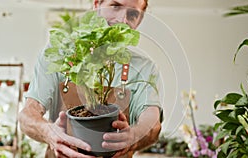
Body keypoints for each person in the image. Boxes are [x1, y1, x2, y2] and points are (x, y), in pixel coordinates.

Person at [18, 0, 163, 157]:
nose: (122, 20)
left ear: (139, 20)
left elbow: (153, 124)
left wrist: (134, 136)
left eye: (133, 14)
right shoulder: (61, 54)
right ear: (97, 4)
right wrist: (48, 132)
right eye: (115, 6)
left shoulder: (144, 68)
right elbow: (27, 115)